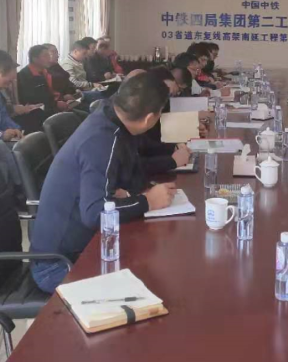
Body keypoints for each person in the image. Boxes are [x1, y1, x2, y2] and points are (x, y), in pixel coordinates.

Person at [29, 73, 178, 293]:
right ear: (149, 119)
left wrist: (128, 195)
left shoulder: (111, 117)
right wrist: (147, 201)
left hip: (87, 244)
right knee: (153, 284)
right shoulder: (102, 140)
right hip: (60, 264)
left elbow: (130, 170)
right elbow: (95, 212)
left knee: (154, 264)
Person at [17, 45, 73, 115]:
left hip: (53, 108)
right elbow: (33, 100)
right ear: (35, 59)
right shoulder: (24, 75)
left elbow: (50, 95)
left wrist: (63, 99)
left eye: (49, 55)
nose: (49, 58)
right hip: (38, 113)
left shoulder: (45, 72)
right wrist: (56, 104)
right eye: (45, 56)